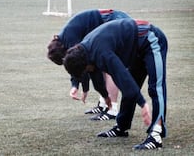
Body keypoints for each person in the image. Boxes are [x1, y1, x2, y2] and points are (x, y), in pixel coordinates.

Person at [63, 18, 167, 150]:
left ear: (85, 65)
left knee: (155, 87)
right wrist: (106, 97)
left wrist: (143, 104)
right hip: (136, 49)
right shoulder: (86, 51)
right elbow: (95, 75)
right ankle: (121, 127)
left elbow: (122, 76)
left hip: (151, 38)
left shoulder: (102, 52)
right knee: (129, 89)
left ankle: (156, 134)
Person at [47, 9, 130, 121]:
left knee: (108, 66)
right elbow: (78, 65)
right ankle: (103, 105)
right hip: (112, 21)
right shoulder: (65, 40)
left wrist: (84, 89)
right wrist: (75, 85)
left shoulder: (70, 38)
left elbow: (81, 64)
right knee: (100, 64)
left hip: (117, 20)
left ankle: (113, 109)